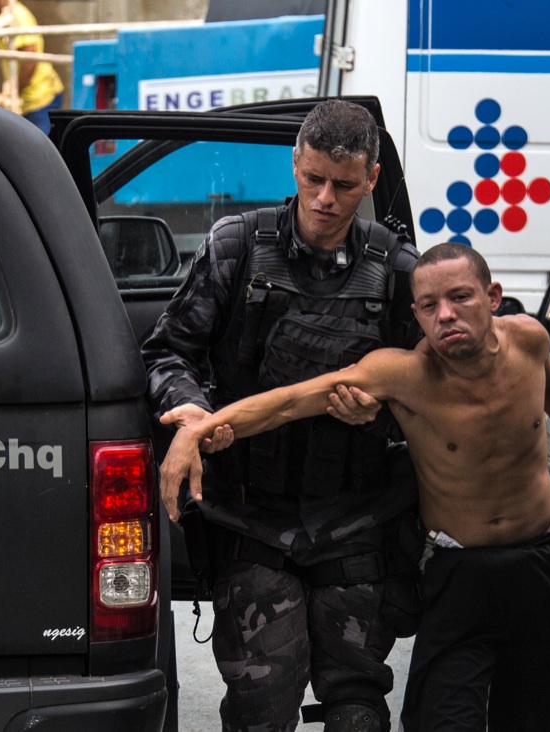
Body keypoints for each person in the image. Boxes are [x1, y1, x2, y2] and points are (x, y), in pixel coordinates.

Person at [159, 242, 550, 732]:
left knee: (546, 716)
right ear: (415, 315)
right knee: (440, 720)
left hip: (541, 558)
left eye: (460, 298)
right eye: (429, 306)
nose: (445, 315)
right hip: (459, 568)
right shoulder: (402, 373)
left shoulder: (530, 339)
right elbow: (287, 403)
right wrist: (198, 429)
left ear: (492, 296)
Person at [141, 99, 422, 732]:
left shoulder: (397, 273)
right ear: (295, 163)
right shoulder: (237, 248)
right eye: (313, 178)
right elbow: (167, 351)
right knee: (262, 702)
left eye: (344, 185)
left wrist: (381, 415)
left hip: (353, 518)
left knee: (357, 704)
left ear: (372, 180)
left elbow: (436, 392)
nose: (325, 197)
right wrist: (192, 415)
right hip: (250, 516)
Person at [0, 0, 64, 135]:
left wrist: (14, 93)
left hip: (41, 97)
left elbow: (29, 61)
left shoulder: (19, 16)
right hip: (25, 100)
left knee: (37, 150)